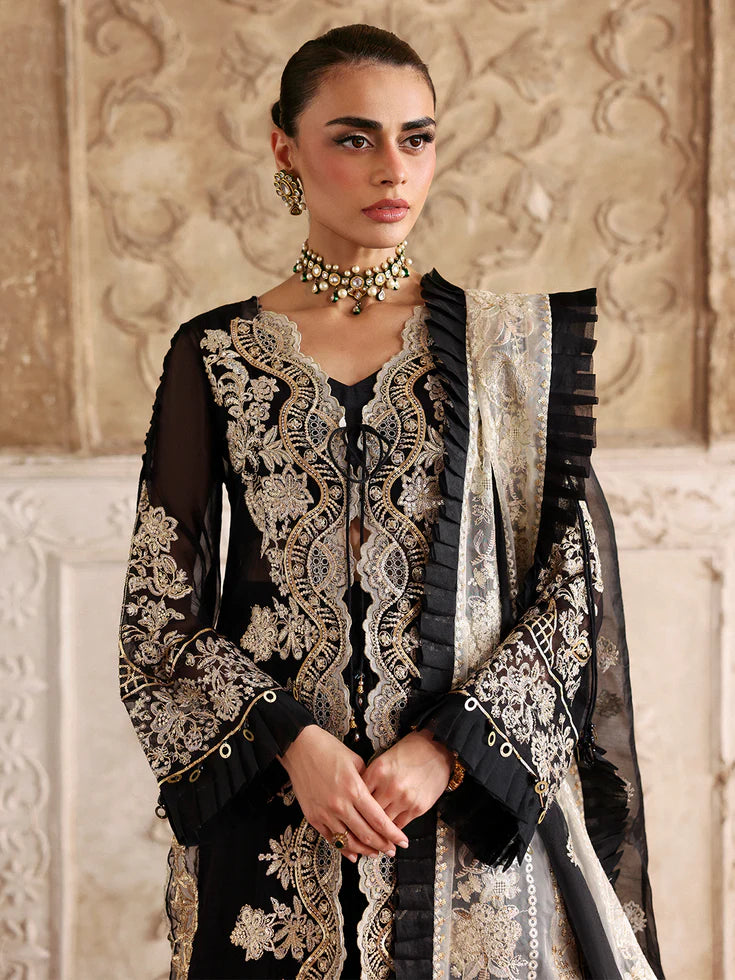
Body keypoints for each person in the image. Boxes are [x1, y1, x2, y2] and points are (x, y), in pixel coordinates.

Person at [117, 23, 666, 980]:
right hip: (278, 822)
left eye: (416, 138)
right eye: (353, 137)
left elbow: (568, 601)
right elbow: (158, 617)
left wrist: (445, 751)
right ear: (285, 149)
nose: (392, 168)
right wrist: (294, 744)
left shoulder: (504, 350)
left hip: (470, 821)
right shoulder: (216, 354)